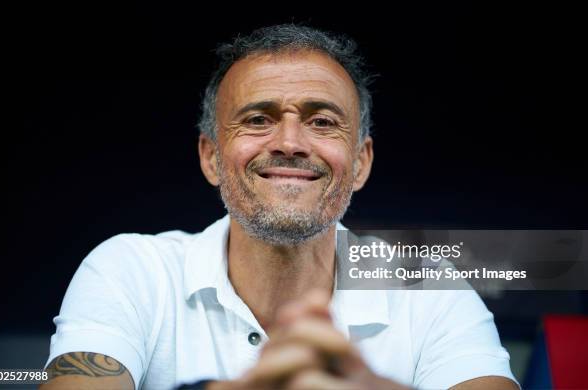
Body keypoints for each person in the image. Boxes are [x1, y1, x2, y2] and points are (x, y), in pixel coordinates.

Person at [41, 24, 519, 390]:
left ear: (360, 162)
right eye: (257, 119)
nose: (290, 141)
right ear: (211, 156)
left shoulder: (430, 289)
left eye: (323, 121)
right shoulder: (130, 269)